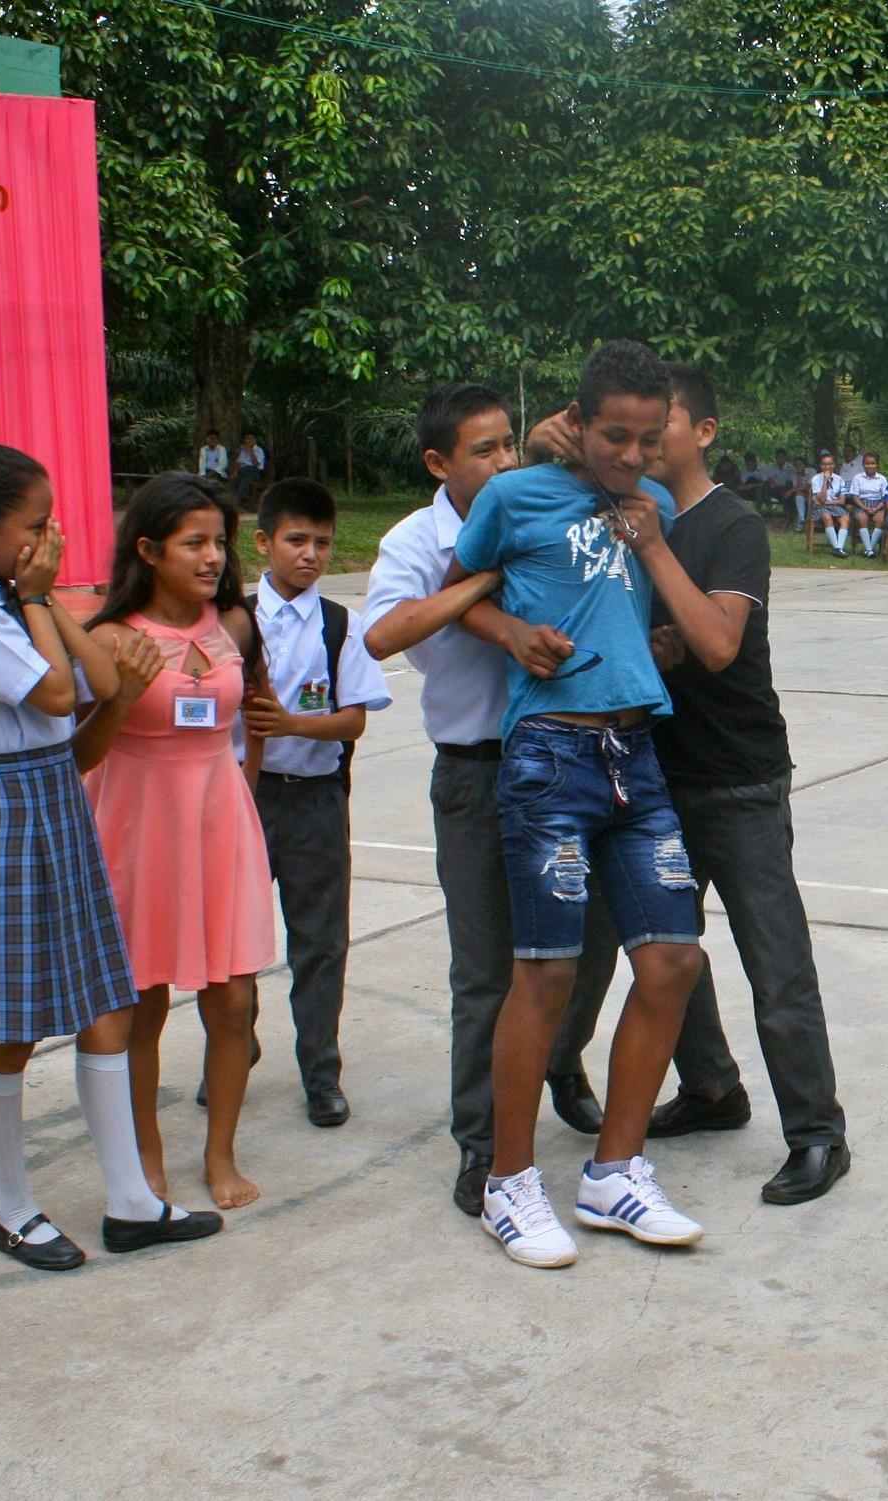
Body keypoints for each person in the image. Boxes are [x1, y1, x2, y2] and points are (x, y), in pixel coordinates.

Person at [0, 442, 225, 1270]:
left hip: (54, 802)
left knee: (103, 1007)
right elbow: (53, 693)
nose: (48, 540)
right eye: (35, 527)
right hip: (6, 809)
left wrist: (43, 603)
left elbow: (104, 685)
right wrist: (41, 601)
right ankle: (13, 1208)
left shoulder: (11, 598)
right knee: (9, 1028)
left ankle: (131, 1202)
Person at [439, 341, 709, 1268]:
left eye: (647, 438)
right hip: (550, 756)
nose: (631, 455)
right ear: (579, 423)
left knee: (672, 961)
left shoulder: (654, 509)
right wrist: (512, 630)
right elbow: (453, 594)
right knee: (545, 975)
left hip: (637, 756)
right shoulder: (512, 498)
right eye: (614, 436)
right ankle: (509, 1185)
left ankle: (613, 1173)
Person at [362, 383, 617, 1218]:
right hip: (478, 771)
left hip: (572, 761)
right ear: (439, 464)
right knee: (484, 971)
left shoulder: (544, 505)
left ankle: (558, 1059)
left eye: (511, 443)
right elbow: (384, 633)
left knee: (591, 942)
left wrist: (564, 459)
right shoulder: (413, 541)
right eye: (485, 450)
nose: (505, 461)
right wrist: (485, 580)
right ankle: (481, 1142)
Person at [608, 364, 853, 1204]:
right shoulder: (627, 515)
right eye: (631, 430)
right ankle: (712, 1087)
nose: (645, 441)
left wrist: (651, 548)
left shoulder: (731, 525)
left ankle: (818, 1132)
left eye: (661, 423)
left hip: (740, 779)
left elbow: (716, 643)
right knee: (666, 951)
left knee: (773, 958)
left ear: (703, 432)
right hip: (655, 776)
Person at [72, 474, 275, 1212]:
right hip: (136, 827)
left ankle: (220, 1154)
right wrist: (123, 692)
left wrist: (243, 787)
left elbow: (253, 713)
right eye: (194, 542)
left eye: (219, 541)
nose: (213, 555)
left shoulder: (233, 626)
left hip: (218, 824)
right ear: (149, 550)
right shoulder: (110, 638)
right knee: (144, 1005)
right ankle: (146, 1155)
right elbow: (82, 750)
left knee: (232, 1004)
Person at [239, 478, 391, 1127]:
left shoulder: (339, 624)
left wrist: (293, 725)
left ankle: (320, 1070)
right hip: (242, 800)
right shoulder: (232, 621)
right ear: (263, 542)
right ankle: (232, 1048)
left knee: (320, 940)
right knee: (233, 941)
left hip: (314, 799)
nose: (311, 554)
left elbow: (354, 718)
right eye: (296, 540)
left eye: (322, 543)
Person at [845, 452, 888, 558]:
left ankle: (869, 548)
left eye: (873, 463)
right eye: (867, 463)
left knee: (880, 519)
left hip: (878, 504)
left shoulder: (882, 479)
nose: (870, 466)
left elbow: (885, 498)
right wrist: (865, 507)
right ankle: (870, 550)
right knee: (862, 518)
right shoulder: (858, 478)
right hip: (861, 504)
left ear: (877, 465)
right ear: (863, 465)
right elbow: (855, 497)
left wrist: (876, 508)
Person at [809, 452, 850, 555]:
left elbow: (842, 501)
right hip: (820, 507)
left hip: (835, 506)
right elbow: (822, 500)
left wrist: (829, 502)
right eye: (824, 464)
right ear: (820, 465)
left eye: (830, 464)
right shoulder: (816, 479)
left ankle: (839, 548)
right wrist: (825, 481)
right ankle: (837, 548)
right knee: (827, 517)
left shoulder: (840, 479)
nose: (827, 467)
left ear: (834, 465)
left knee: (845, 518)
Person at [230, 430, 266, 502]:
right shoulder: (243, 450)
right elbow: (238, 463)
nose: (249, 440)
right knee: (233, 481)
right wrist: (235, 471)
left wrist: (251, 451)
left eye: (251, 438)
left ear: (255, 440)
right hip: (242, 470)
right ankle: (231, 501)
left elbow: (257, 465)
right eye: (247, 438)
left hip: (254, 471)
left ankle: (236, 502)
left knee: (244, 483)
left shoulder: (259, 450)